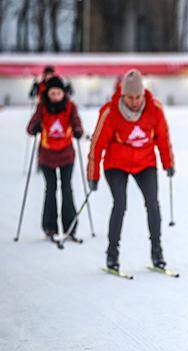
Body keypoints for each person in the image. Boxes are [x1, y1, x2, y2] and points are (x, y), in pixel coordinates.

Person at [86, 69, 175, 271]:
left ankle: (157, 254)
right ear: (123, 94)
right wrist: (93, 175)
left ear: (143, 94)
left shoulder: (155, 109)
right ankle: (112, 255)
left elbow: (163, 138)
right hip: (116, 164)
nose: (134, 101)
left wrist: (168, 162)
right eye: (130, 97)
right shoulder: (110, 112)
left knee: (152, 204)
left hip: (145, 162)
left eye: (137, 97)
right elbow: (97, 144)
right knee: (120, 204)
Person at [25, 76, 84, 241]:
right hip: (47, 156)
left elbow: (76, 121)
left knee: (67, 188)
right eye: (53, 93)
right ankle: (50, 226)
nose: (56, 96)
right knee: (50, 189)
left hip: (66, 155)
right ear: (48, 93)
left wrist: (78, 129)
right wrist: (34, 128)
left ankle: (70, 226)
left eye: (58, 93)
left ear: (63, 93)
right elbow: (30, 127)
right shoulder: (42, 107)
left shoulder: (70, 106)